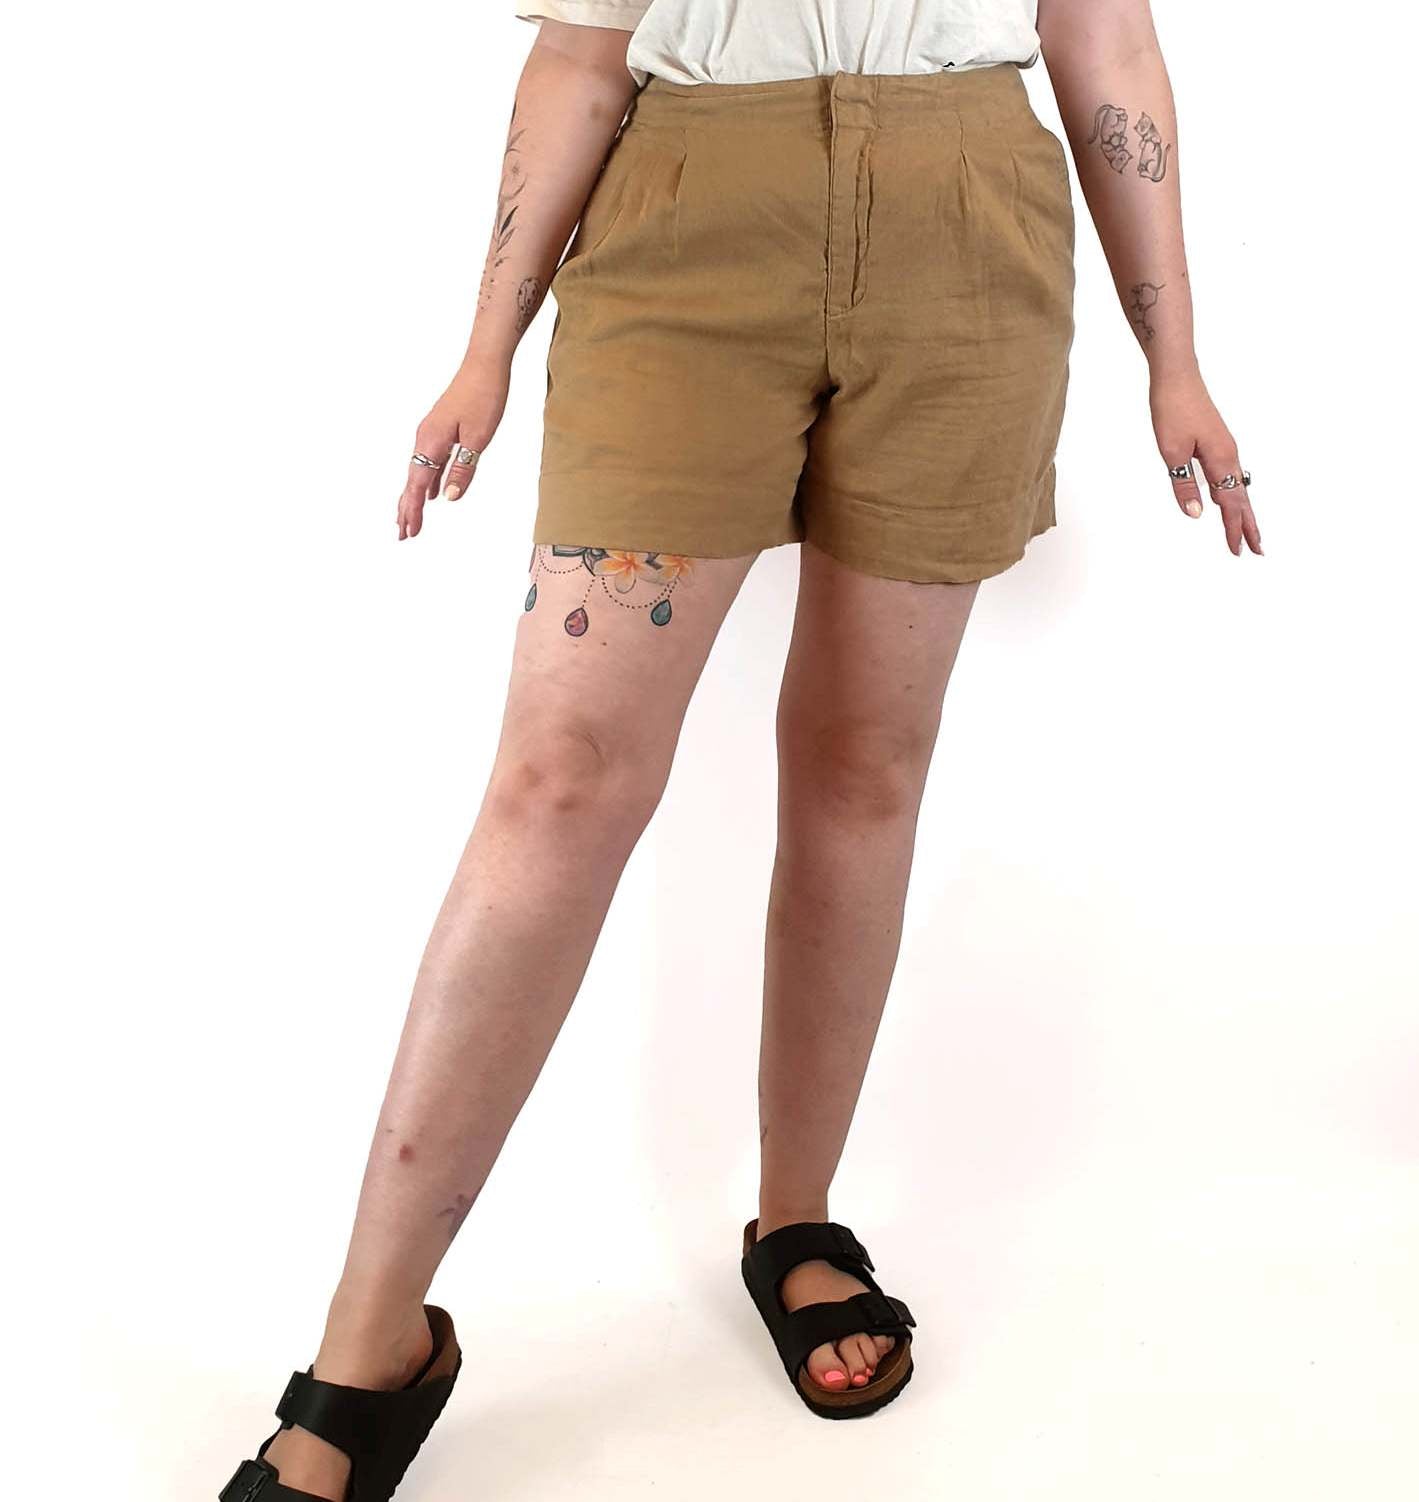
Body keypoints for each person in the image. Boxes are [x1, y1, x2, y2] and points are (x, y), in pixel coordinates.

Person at [220, 0, 1262, 1496]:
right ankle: (366, 1341)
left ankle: (797, 1217)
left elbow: (1106, 42)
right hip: (686, 222)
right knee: (558, 780)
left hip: (969, 235)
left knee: (865, 762)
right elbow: (580, 54)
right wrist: (486, 345)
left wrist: (1178, 357)